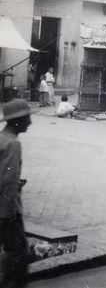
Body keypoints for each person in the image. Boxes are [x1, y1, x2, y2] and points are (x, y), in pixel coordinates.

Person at [0, 99, 33, 287]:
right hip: (7, 211)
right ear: (17, 121)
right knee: (17, 253)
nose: (30, 123)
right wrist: (8, 216)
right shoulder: (13, 144)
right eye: (27, 118)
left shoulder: (2, 138)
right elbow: (7, 184)